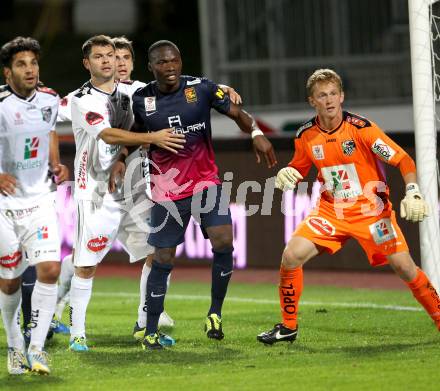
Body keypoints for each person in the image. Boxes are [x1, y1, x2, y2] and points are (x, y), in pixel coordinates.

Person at [257, 68, 438, 345]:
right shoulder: (306, 135)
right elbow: (299, 166)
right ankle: (288, 327)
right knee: (291, 256)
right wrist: (287, 173)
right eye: (321, 95)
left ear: (341, 97)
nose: (328, 100)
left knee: (405, 267)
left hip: (372, 212)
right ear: (312, 101)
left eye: (332, 94)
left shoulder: (362, 129)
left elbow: (403, 160)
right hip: (332, 212)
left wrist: (412, 191)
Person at [129, 40, 276, 350]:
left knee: (224, 241)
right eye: (162, 63)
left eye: (174, 61)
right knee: (163, 259)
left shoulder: (201, 88)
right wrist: (120, 160)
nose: (169, 67)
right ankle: (150, 331)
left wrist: (256, 133)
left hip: (205, 182)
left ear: (181, 62)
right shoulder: (142, 99)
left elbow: (238, 112)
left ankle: (215, 313)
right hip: (167, 191)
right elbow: (135, 133)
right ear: (151, 68)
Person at [67, 35, 186, 352]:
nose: (108, 61)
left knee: (158, 253)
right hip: (95, 192)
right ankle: (77, 333)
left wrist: (218, 90)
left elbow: (173, 87)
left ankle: (145, 325)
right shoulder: (82, 99)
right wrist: (153, 136)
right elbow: (106, 134)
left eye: (111, 55)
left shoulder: (133, 93)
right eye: (99, 56)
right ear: (87, 63)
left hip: (135, 192)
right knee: (86, 264)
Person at [0, 36, 69, 374]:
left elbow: (50, 130)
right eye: (21, 64)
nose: (30, 69)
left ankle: (38, 349)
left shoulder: (50, 99)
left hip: (40, 198)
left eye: (33, 63)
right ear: (7, 72)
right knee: (10, 280)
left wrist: (56, 163)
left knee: (50, 270)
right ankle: (15, 347)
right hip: (3, 207)